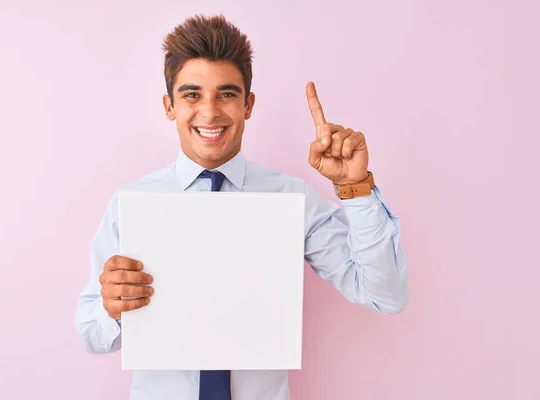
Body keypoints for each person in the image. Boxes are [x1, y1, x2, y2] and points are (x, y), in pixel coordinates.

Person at [75, 14, 408, 400]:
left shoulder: (291, 199)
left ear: (248, 104)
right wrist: (112, 308)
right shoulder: (130, 204)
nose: (211, 112)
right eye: (192, 94)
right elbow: (90, 334)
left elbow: (385, 295)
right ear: (169, 106)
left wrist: (356, 189)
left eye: (227, 94)